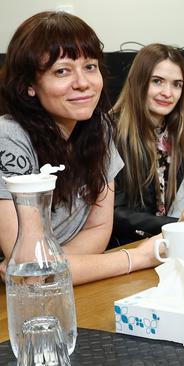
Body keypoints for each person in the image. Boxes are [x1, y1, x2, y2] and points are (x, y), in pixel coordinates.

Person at [0, 11, 159, 285]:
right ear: (29, 85)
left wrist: (50, 269)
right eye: (62, 71)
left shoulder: (101, 129)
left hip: (63, 289)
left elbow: (98, 229)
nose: (83, 83)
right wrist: (137, 258)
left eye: (90, 66)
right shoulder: (9, 136)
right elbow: (29, 266)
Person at [111, 44, 184, 246]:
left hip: (177, 246)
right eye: (157, 81)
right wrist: (174, 224)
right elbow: (111, 214)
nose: (168, 93)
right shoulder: (108, 133)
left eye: (177, 84)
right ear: (138, 82)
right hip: (124, 250)